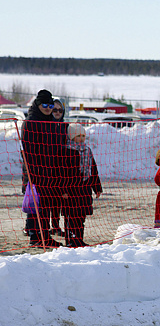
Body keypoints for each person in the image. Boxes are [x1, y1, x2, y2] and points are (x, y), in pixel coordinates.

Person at [20, 89, 68, 248]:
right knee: (36, 206)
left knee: (45, 206)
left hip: (49, 171)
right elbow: (28, 151)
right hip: (36, 171)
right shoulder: (31, 122)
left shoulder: (50, 122)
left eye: (50, 105)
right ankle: (36, 237)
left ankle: (44, 235)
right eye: (44, 104)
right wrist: (33, 173)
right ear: (37, 104)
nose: (48, 108)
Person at [64, 124, 101, 247]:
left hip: (85, 189)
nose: (81, 138)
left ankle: (79, 238)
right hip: (71, 189)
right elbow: (62, 172)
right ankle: (71, 240)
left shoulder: (87, 150)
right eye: (78, 136)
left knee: (81, 216)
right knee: (71, 216)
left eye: (83, 136)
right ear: (71, 136)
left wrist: (97, 187)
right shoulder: (67, 150)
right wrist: (63, 190)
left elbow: (93, 169)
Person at [49, 97, 67, 236]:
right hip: (46, 167)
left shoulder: (65, 127)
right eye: (54, 109)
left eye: (60, 110)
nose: (57, 112)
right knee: (40, 200)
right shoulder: (45, 126)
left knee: (57, 199)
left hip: (60, 168)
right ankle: (32, 227)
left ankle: (55, 226)